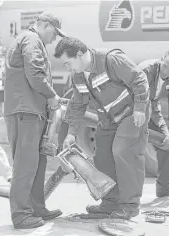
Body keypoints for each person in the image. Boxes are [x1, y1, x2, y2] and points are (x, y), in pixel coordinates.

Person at [55, 37, 150, 220]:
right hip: (108, 120)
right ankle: (110, 203)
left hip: (132, 114)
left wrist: (139, 108)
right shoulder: (78, 76)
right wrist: (71, 134)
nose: (67, 68)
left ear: (80, 54)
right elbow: (77, 105)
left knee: (123, 151)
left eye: (68, 63)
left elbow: (140, 79)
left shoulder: (111, 60)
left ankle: (130, 206)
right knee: (102, 157)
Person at [4, 12, 65, 229]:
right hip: (25, 111)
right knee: (26, 164)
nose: (54, 38)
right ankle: (21, 214)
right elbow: (35, 73)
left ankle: (37, 207)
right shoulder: (31, 40)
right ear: (45, 25)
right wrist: (51, 95)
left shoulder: (30, 40)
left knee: (38, 163)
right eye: (54, 32)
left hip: (31, 111)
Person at [138, 49, 169, 198]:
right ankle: (124, 193)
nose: (166, 72)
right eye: (165, 66)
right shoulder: (146, 69)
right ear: (161, 59)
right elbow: (131, 95)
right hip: (133, 109)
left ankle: (164, 188)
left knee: (167, 142)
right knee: (129, 149)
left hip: (152, 109)